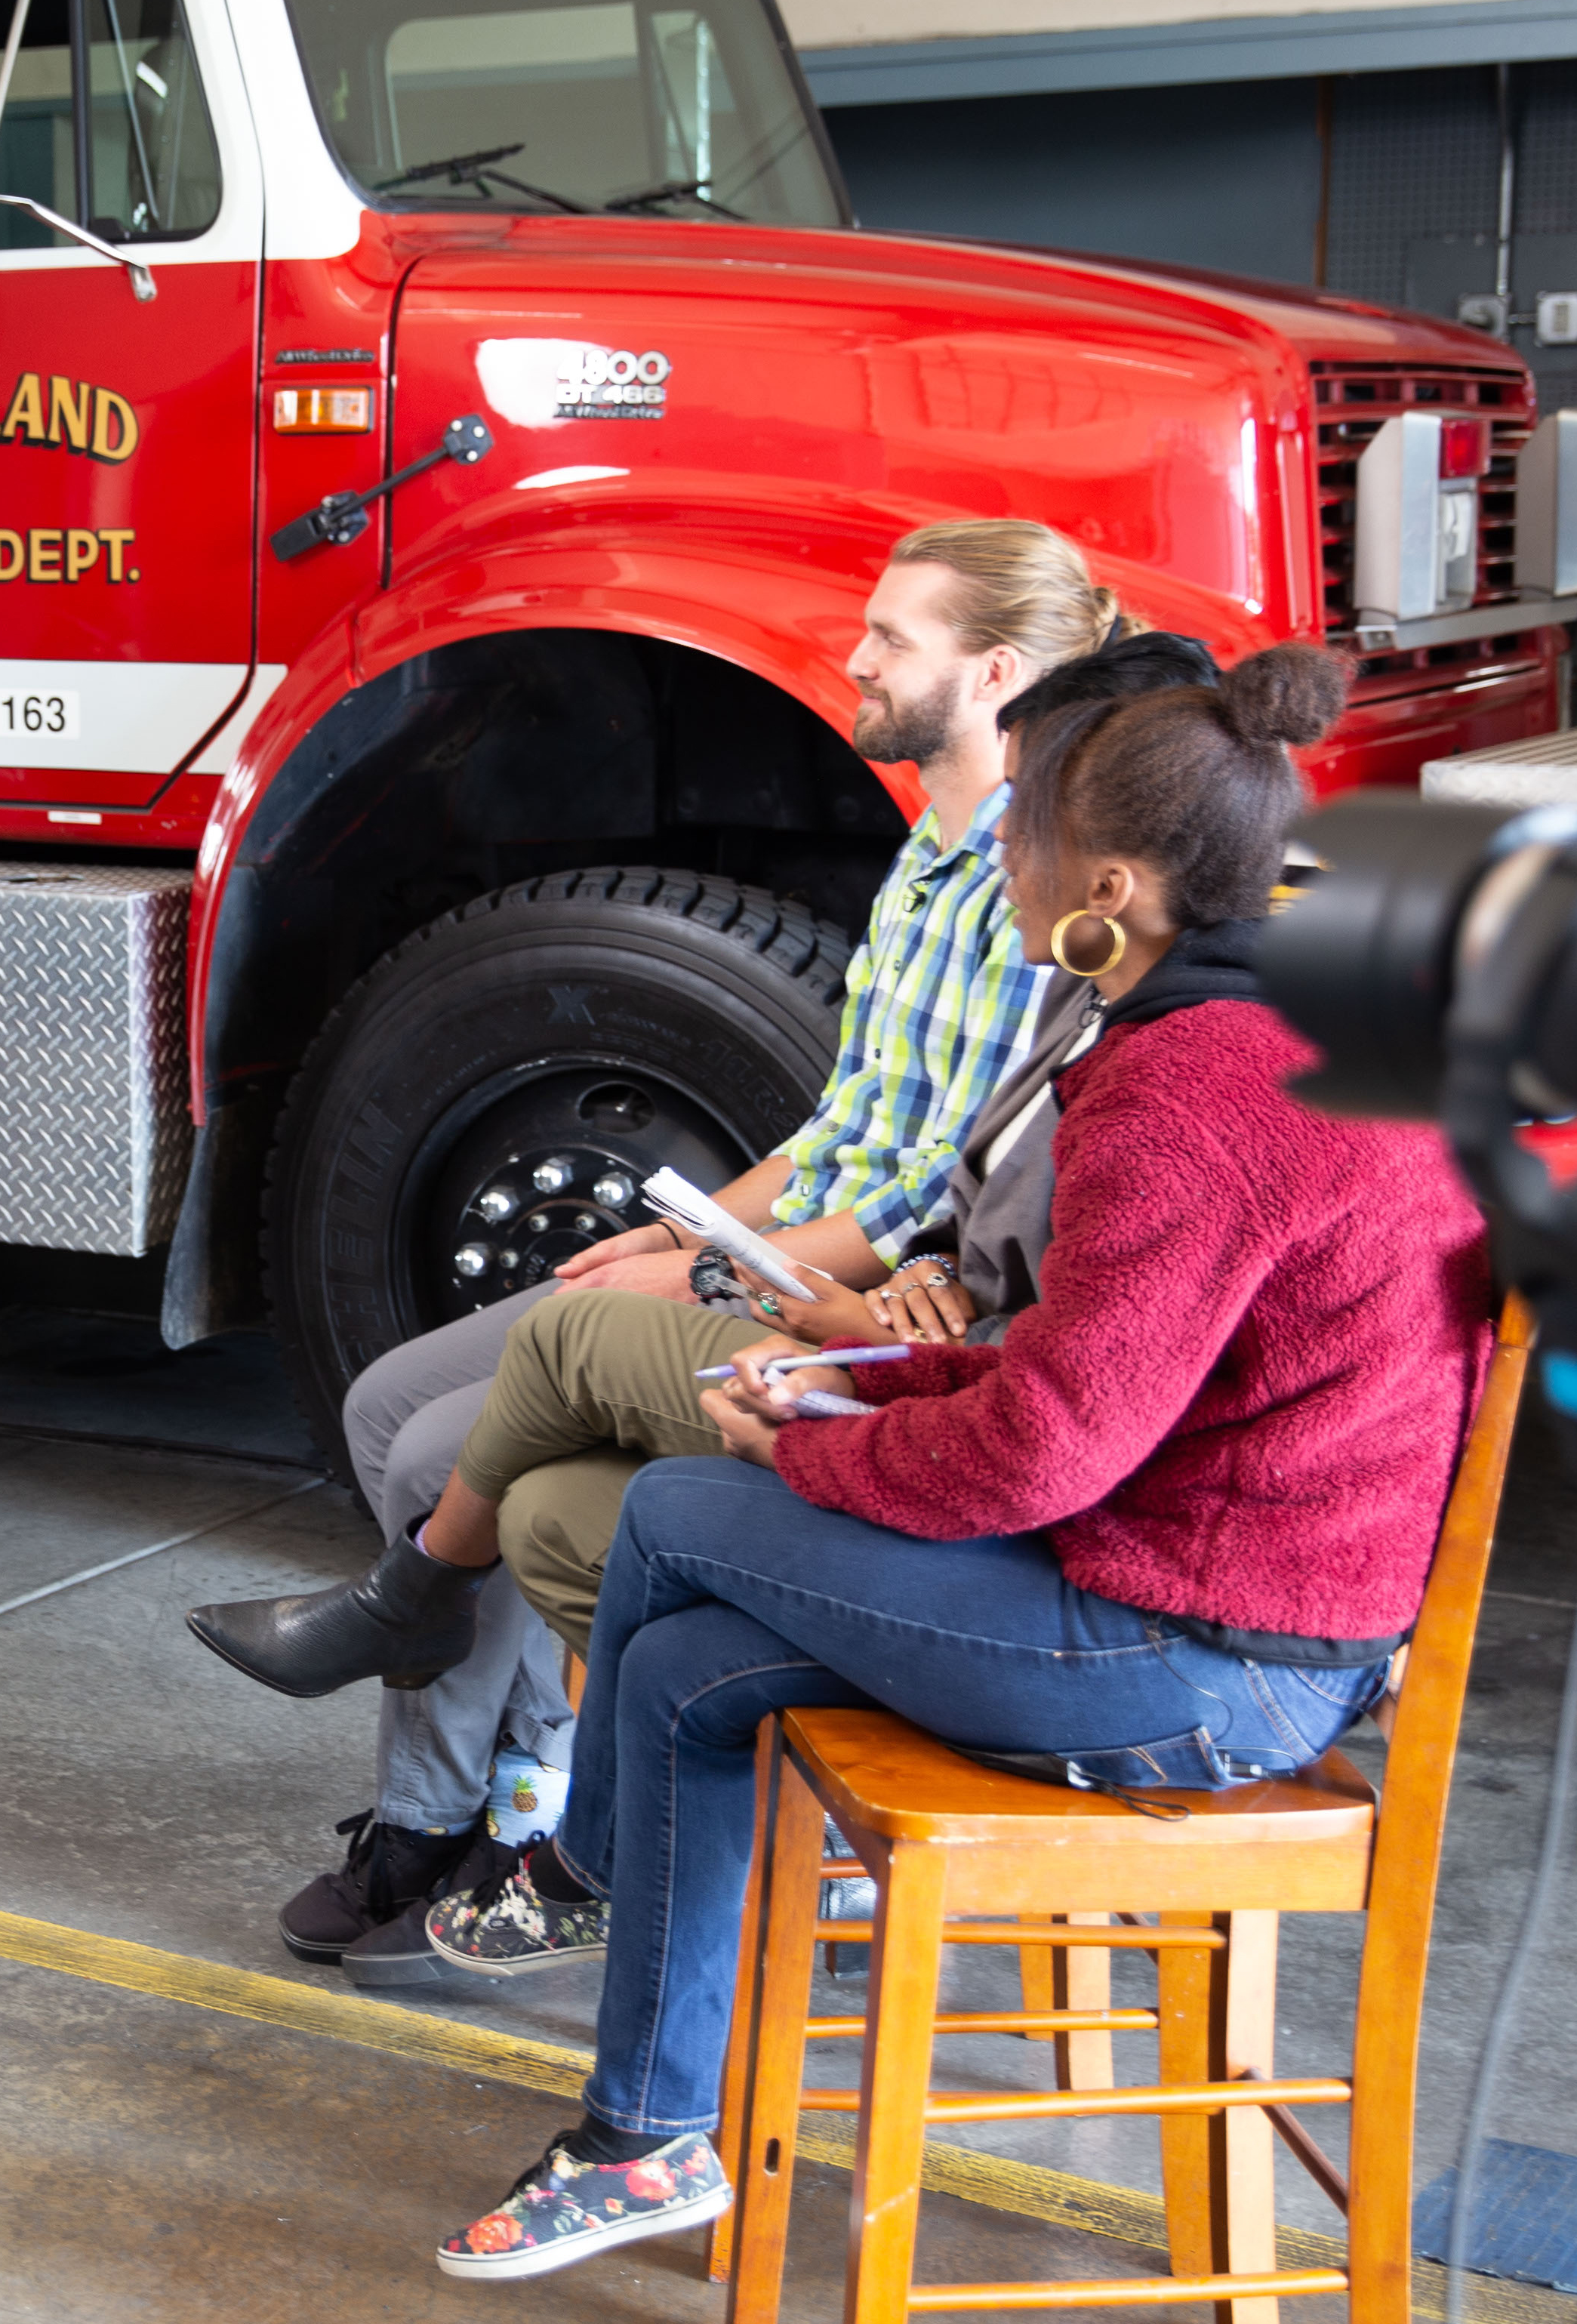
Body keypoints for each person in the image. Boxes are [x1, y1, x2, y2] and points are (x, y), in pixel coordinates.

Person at [403, 645, 1496, 2283]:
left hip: (1212, 1664)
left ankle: (585, 1870)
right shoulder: (1295, 1016)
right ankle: (642, 2138)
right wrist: (873, 1381)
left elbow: (1052, 1448)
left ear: (1110, 886)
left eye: (1023, 837)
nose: (998, 856)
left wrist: (817, 1441)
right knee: (693, 1663)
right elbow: (1095, 1370)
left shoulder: (1191, 1089)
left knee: (689, 1509)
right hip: (1222, 1604)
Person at [184, 519, 1127, 1989]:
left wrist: (713, 1276)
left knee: (448, 1456)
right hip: (785, 1256)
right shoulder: (935, 854)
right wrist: (689, 1220)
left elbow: (933, 1199)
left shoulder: (1038, 893)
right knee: (384, 1409)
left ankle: (464, 1821)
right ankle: (498, 1799)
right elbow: (847, 1128)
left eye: (892, 637)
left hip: (869, 1317)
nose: (855, 656)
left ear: (994, 671)